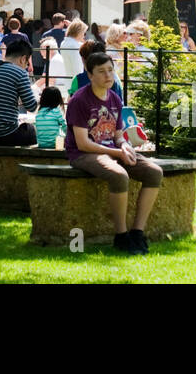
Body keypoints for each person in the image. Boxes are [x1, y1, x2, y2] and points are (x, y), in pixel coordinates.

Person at [65, 50, 163, 256]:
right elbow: (82, 143)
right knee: (119, 175)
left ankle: (137, 232)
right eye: (101, 72)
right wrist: (117, 153)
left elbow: (118, 135)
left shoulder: (115, 99)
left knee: (154, 172)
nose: (108, 75)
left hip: (112, 150)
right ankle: (121, 235)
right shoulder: (79, 100)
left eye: (110, 70)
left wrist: (124, 146)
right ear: (90, 75)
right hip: (84, 154)